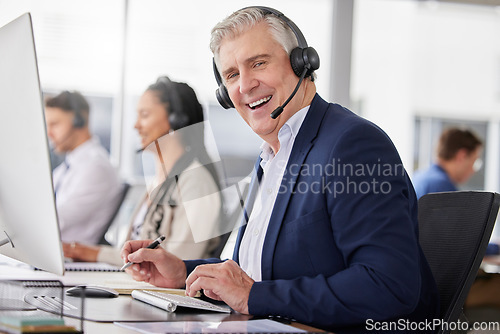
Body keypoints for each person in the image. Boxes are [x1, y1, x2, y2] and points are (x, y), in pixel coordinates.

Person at [121, 7, 439, 332]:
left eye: (258, 63)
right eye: (231, 75)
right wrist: (183, 272)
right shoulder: (270, 158)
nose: (245, 85)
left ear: (301, 63)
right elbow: (255, 272)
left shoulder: (353, 144)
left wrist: (254, 296)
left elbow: (388, 285)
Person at [63, 77, 222, 265]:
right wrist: (83, 251)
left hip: (164, 291)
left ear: (176, 120)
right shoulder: (158, 181)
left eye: (144, 115)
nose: (135, 125)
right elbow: (130, 253)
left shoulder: (196, 181)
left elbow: (180, 261)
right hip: (139, 283)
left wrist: (90, 252)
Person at [45, 91, 123, 245]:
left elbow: (55, 221)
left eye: (55, 124)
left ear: (78, 120)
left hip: (74, 260)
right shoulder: (67, 167)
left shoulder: (96, 168)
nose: (49, 133)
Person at [412, 127, 483, 199]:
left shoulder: (418, 176)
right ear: (462, 156)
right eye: (474, 161)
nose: (473, 170)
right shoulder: (442, 187)